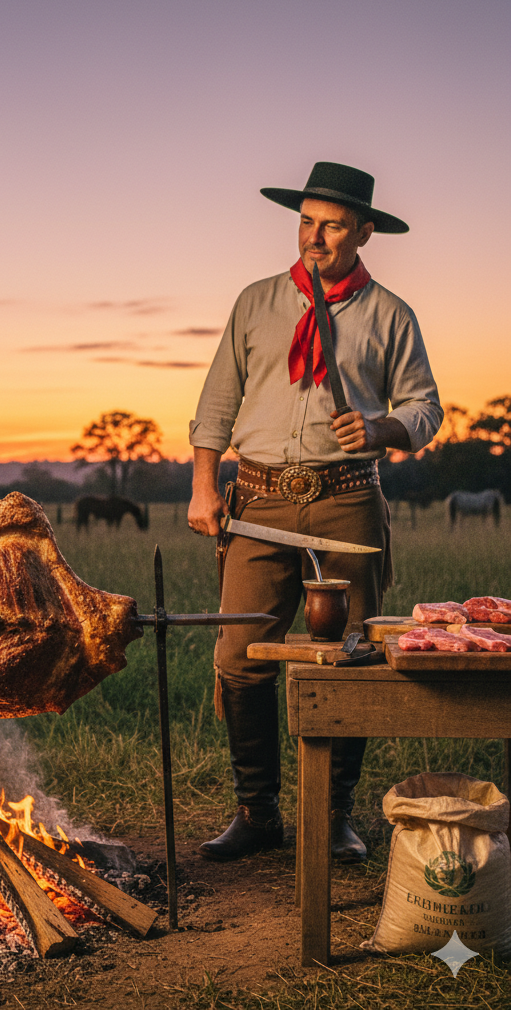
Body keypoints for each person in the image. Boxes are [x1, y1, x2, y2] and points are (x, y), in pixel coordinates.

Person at [187, 162, 443, 862]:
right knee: (240, 654)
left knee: (350, 656)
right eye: (306, 221)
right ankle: (257, 813)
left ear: (365, 232)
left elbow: (426, 409)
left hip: (348, 496)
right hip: (259, 497)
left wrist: (382, 427)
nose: (314, 237)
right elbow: (217, 402)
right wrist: (204, 486)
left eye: (332, 225)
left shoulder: (391, 315)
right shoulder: (256, 302)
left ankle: (332, 817)